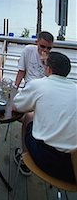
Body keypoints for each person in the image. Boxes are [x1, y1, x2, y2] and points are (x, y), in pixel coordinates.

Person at [13, 51, 77, 183]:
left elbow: (16, 106)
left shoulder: (39, 84)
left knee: (29, 117)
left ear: (48, 69)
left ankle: (24, 160)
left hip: (49, 161)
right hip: (73, 168)